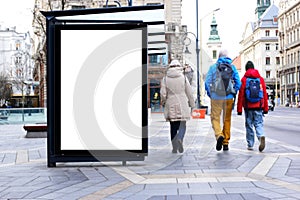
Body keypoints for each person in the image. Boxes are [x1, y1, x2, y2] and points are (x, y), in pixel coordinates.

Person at [205, 49, 241, 151]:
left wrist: (210, 94)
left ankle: (219, 135)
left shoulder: (213, 67)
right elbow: (238, 82)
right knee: (227, 120)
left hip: (216, 96)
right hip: (229, 97)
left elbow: (207, 83)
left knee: (215, 118)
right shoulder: (232, 67)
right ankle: (225, 142)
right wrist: (234, 92)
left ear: (219, 57)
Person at [160, 59, 195, 153]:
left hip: (170, 102)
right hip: (182, 102)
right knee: (182, 124)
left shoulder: (165, 79)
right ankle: (180, 138)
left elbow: (163, 93)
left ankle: (174, 147)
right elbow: (189, 92)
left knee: (173, 126)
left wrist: (163, 102)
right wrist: (192, 104)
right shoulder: (183, 77)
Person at [237, 61, 268, 152]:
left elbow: (241, 95)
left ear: (246, 69)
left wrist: (239, 109)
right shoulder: (260, 79)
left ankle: (250, 144)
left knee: (249, 125)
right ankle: (261, 135)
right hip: (259, 106)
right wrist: (265, 108)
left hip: (248, 107)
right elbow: (265, 95)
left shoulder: (244, 79)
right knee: (258, 123)